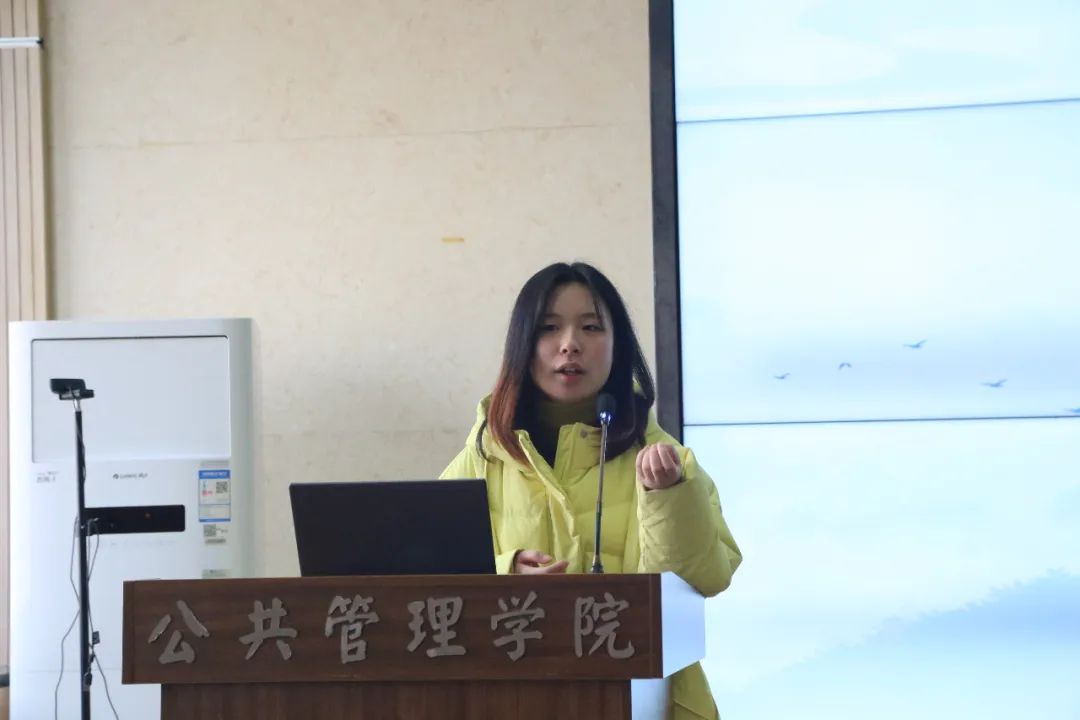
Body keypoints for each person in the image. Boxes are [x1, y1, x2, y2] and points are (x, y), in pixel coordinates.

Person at [440, 261, 742, 720]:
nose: (570, 344)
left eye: (591, 327)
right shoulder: (483, 456)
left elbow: (708, 577)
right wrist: (504, 573)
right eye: (549, 328)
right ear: (522, 344)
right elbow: (424, 576)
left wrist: (668, 498)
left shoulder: (666, 460)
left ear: (618, 346)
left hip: (644, 703)